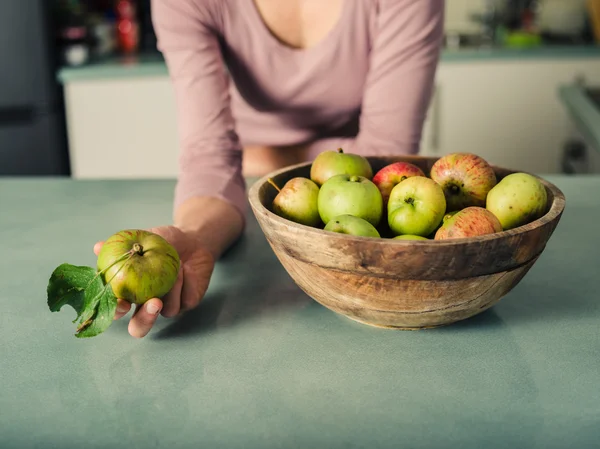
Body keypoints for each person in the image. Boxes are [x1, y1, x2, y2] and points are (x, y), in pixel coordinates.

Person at [93, 0, 445, 338]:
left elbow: (384, 154)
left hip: (349, 212)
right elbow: (210, 156)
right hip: (270, 199)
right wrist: (197, 236)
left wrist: (259, 158)